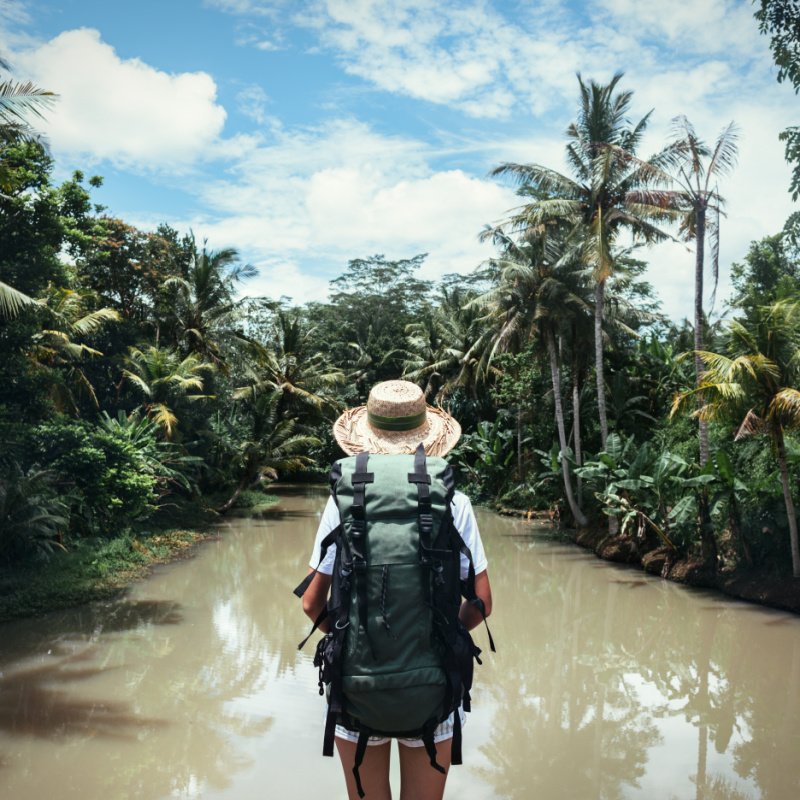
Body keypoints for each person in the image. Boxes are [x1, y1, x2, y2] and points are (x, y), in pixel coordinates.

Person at [300, 379, 493, 800]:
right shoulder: (452, 501)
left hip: (356, 688)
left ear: (364, 439)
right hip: (431, 689)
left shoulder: (345, 500)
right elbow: (481, 603)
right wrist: (442, 638)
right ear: (430, 436)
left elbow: (312, 602)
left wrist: (350, 638)